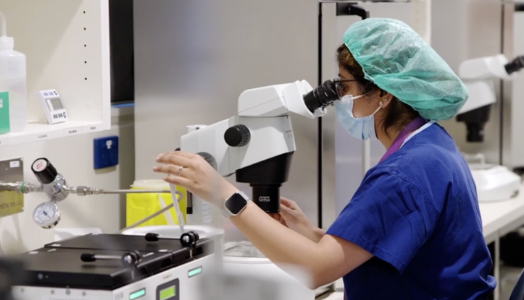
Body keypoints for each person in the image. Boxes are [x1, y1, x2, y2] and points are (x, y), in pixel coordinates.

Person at [153, 18, 496, 300]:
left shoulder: (403, 174)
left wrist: (223, 193)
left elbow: (317, 271)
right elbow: (376, 246)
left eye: (345, 86)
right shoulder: (432, 145)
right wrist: (311, 233)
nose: (339, 98)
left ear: (383, 93)